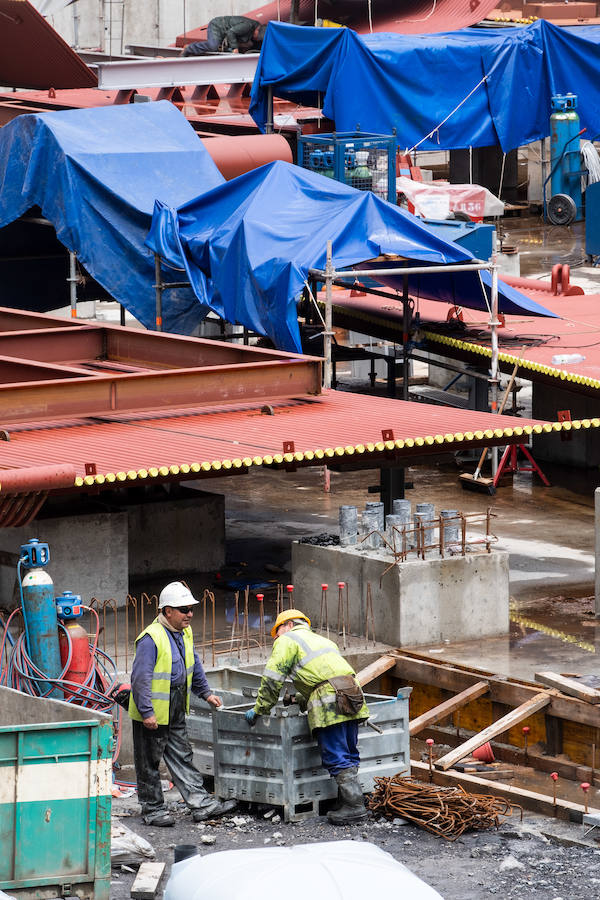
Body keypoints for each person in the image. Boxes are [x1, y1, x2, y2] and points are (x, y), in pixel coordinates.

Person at [245, 609, 369, 824]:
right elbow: (322, 678)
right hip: (351, 695)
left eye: (277, 632)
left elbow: (273, 678)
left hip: (331, 702)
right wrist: (297, 699)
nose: (275, 638)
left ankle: (355, 806)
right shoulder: (323, 641)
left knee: (335, 753)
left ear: (288, 625)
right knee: (348, 751)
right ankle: (346, 802)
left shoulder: (287, 640)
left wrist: (260, 709)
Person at [129, 581, 237, 826]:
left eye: (191, 609)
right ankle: (153, 810)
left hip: (176, 704)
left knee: (182, 756)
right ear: (167, 611)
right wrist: (147, 712)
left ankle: (201, 805)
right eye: (184, 609)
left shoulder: (184, 632)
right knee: (148, 763)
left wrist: (206, 693)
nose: (190, 614)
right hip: (153, 710)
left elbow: (194, 665)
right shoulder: (150, 638)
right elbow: (140, 679)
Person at [181, 17, 266, 57]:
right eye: (257, 36)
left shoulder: (255, 33)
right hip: (218, 26)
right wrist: (235, 48)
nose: (256, 38)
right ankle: (189, 48)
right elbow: (231, 32)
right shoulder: (248, 26)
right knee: (213, 46)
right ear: (257, 30)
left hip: (226, 34)